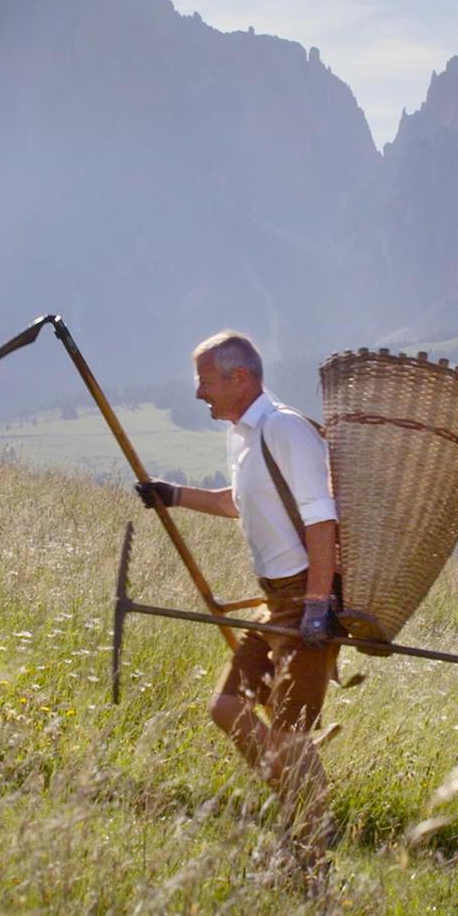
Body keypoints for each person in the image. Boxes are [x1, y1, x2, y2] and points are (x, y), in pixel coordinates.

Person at [133, 330, 340, 867]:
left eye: (205, 380)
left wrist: (319, 604)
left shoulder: (286, 429)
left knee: (292, 734)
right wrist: (174, 496)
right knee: (227, 708)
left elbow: (323, 518)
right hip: (276, 601)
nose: (199, 392)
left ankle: (308, 843)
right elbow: (238, 502)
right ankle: (307, 809)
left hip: (305, 600)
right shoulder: (244, 437)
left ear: (239, 377)